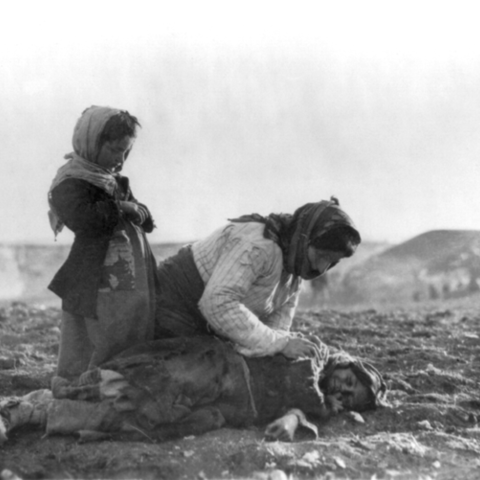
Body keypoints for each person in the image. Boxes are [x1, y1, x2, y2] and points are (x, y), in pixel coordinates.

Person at [0, 336, 388, 444]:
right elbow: (303, 384)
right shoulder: (315, 355)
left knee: (143, 422)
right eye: (350, 380)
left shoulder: (318, 401)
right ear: (347, 365)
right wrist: (318, 406)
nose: (343, 388)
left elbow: (300, 410)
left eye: (351, 395)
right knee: (143, 387)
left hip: (228, 409)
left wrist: (299, 416)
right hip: (219, 371)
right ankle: (38, 402)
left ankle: (32, 412)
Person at [155, 198, 361, 359]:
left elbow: (276, 327)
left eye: (333, 262)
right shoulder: (259, 245)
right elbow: (217, 303)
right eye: (322, 256)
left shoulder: (294, 271)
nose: (321, 268)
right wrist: (280, 345)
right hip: (172, 303)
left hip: (207, 322)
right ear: (305, 237)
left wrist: (284, 346)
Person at [47, 106, 158, 381]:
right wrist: (121, 207)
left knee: (129, 328)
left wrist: (141, 213)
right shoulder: (70, 182)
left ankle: (119, 383)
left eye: (126, 152)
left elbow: (139, 214)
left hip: (128, 278)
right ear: (91, 143)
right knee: (92, 338)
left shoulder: (114, 181)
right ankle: (79, 393)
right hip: (94, 277)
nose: (120, 160)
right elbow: (83, 220)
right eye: (114, 150)